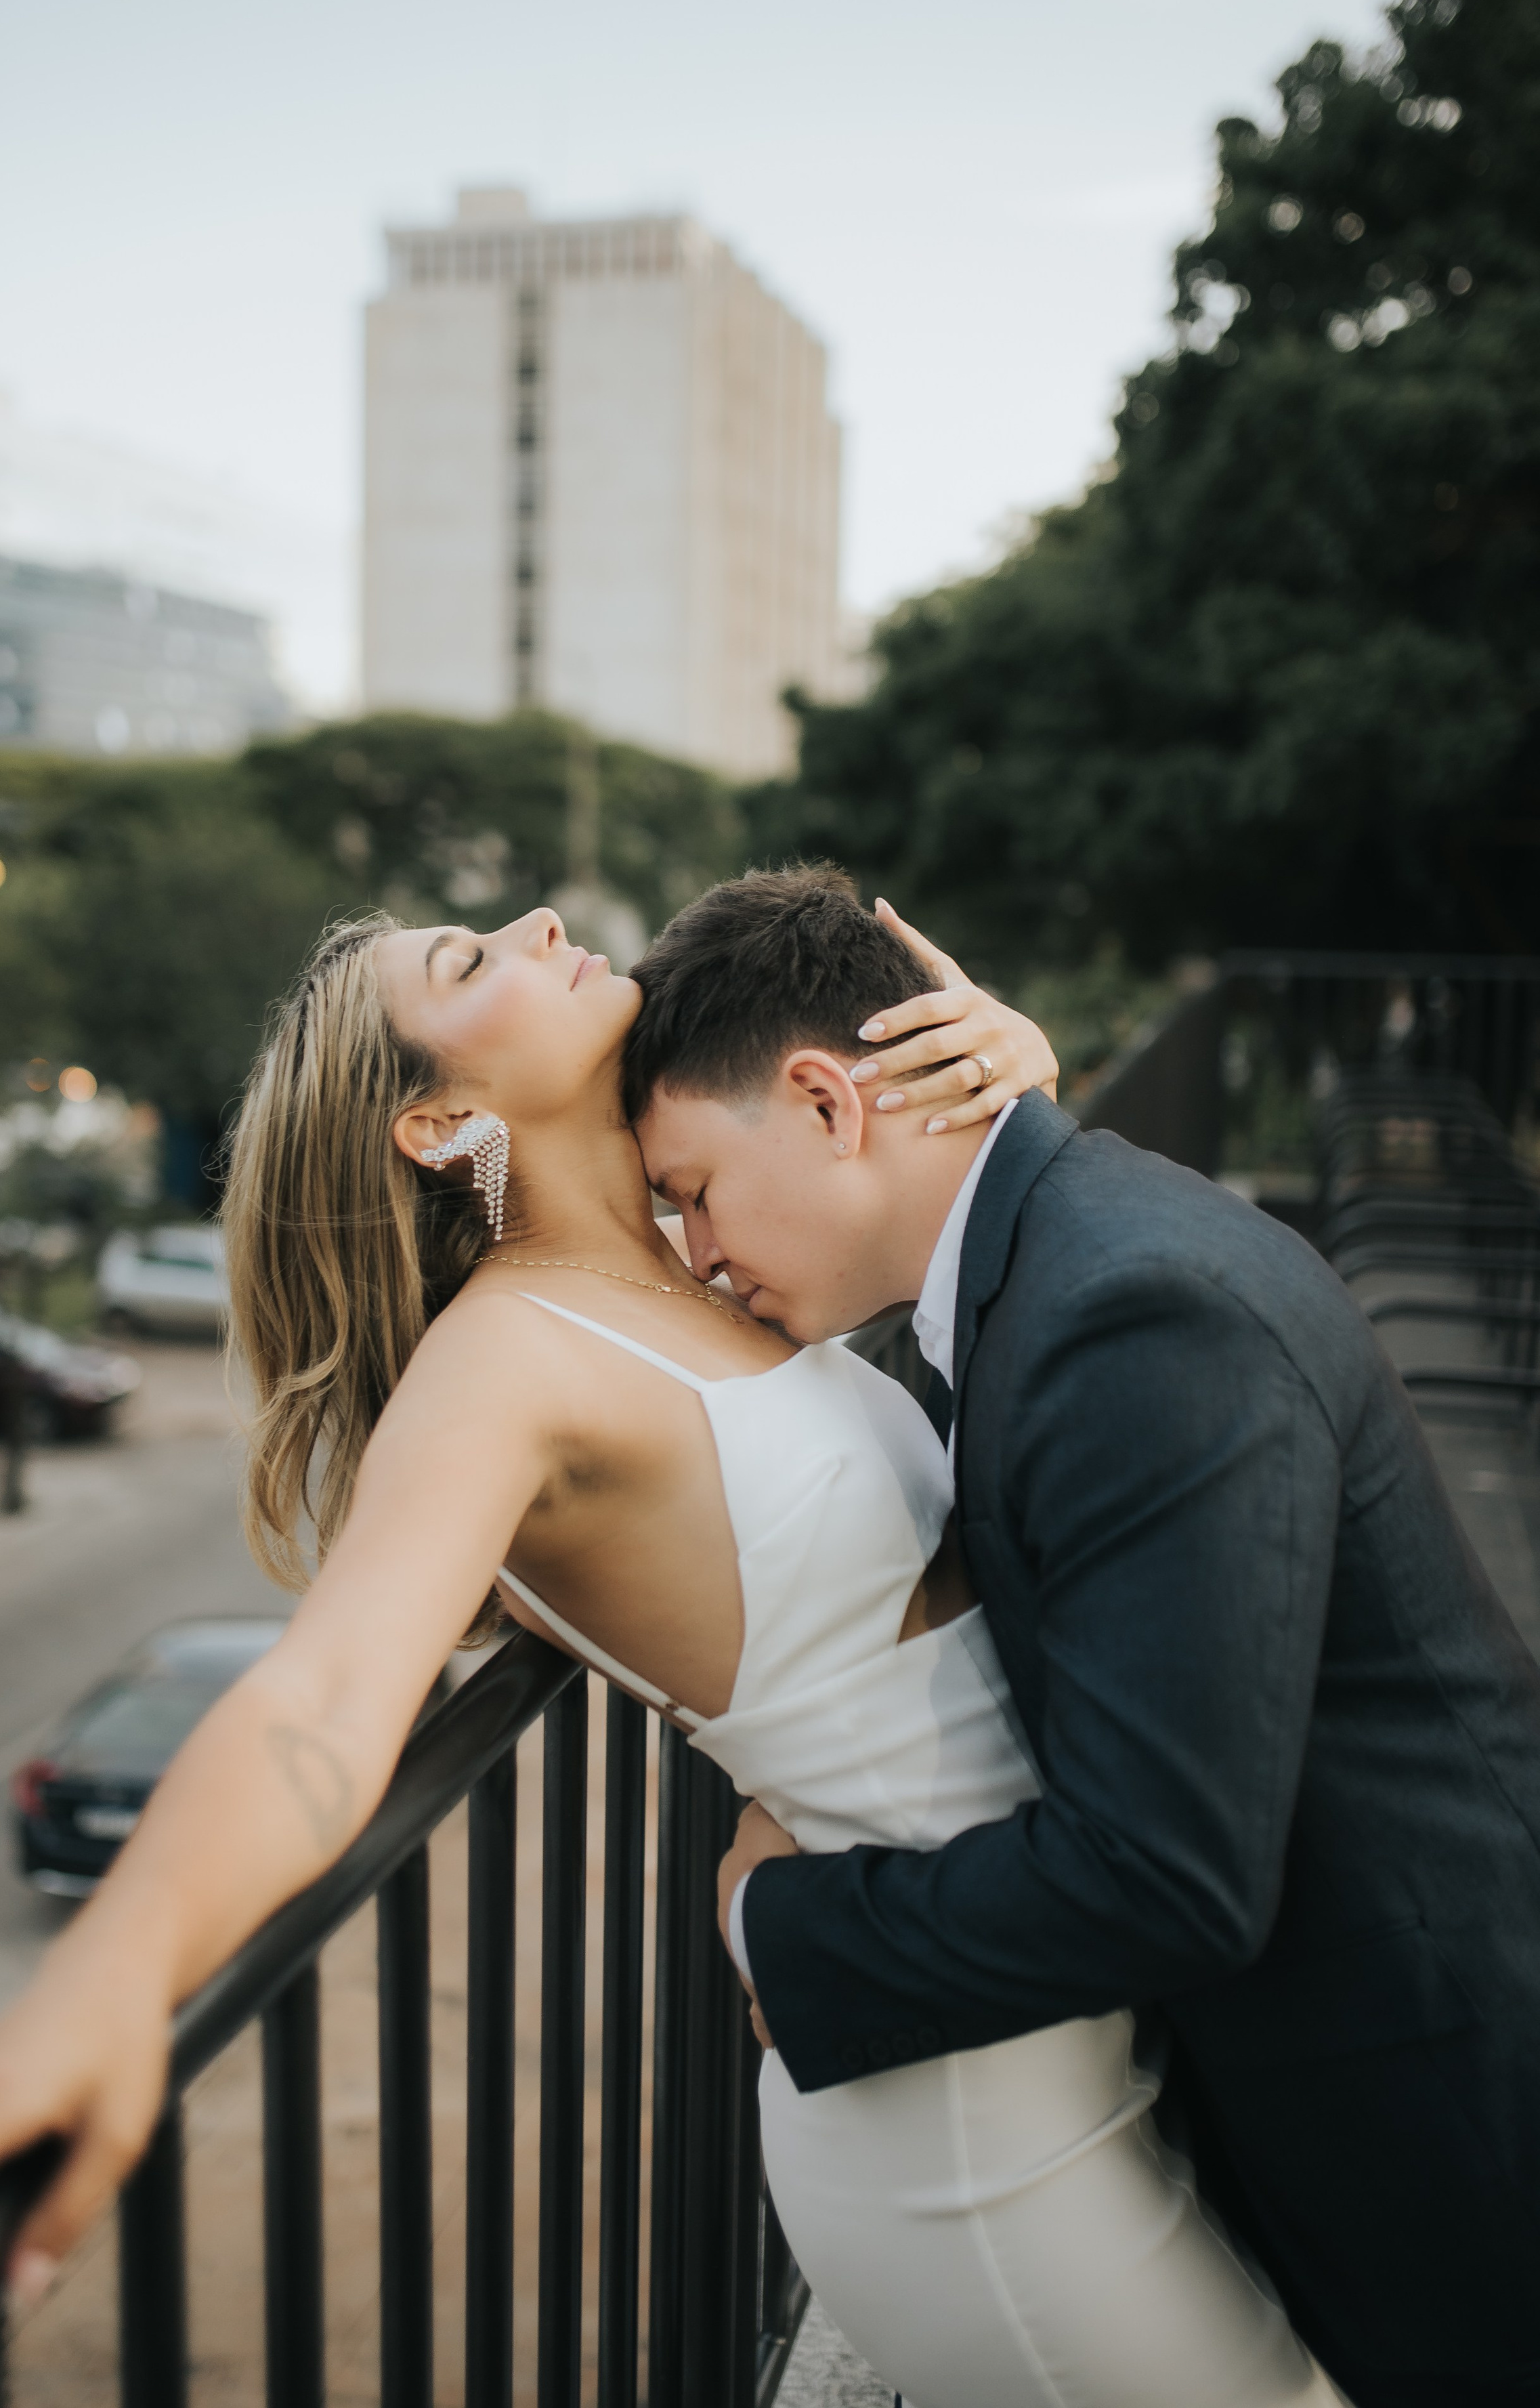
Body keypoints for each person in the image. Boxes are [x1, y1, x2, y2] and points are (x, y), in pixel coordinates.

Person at [0, 885, 1346, 2408]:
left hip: (1060, 1991)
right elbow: (330, 1691)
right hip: (970, 2130)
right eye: (473, 959)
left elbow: (944, 1303)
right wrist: (105, 1986)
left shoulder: (697, 1256)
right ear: (431, 1123)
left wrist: (999, 1086)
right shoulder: (507, 1354)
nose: (545, 921)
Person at [630, 868, 1540, 2408]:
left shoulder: (1130, 1309)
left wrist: (781, 1929)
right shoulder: (1052, 1254)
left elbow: (1170, 1872)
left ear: (822, 1099)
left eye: (691, 1191)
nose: (692, 1253)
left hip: (1446, 2120)